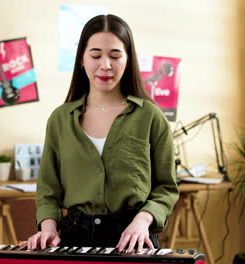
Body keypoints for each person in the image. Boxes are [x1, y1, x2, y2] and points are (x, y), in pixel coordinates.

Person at [20, 14, 179, 253]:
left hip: (134, 241)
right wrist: (48, 228)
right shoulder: (60, 120)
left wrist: (143, 220)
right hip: (74, 240)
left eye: (115, 56)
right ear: (82, 59)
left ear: (128, 60)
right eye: (95, 55)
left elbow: (166, 187)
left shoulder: (150, 117)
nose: (105, 65)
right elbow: (48, 191)